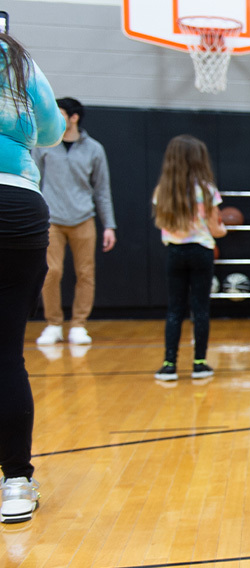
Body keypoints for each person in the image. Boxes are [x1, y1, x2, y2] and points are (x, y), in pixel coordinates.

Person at [0, 32, 66, 522]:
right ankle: (17, 484)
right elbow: (51, 131)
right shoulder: (21, 65)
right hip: (20, 206)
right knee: (6, 354)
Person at [32, 97, 116, 347]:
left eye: (59, 114)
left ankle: (79, 324)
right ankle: (53, 323)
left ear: (73, 117)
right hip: (52, 219)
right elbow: (34, 181)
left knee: (85, 273)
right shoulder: (43, 145)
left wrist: (109, 225)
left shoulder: (94, 149)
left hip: (83, 219)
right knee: (51, 271)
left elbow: (102, 190)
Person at [152, 135, 226, 381]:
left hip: (175, 252)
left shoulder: (163, 190)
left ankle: (169, 364)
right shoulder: (207, 190)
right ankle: (199, 363)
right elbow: (216, 230)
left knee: (175, 308)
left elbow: (161, 223)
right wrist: (222, 230)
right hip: (201, 252)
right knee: (200, 308)